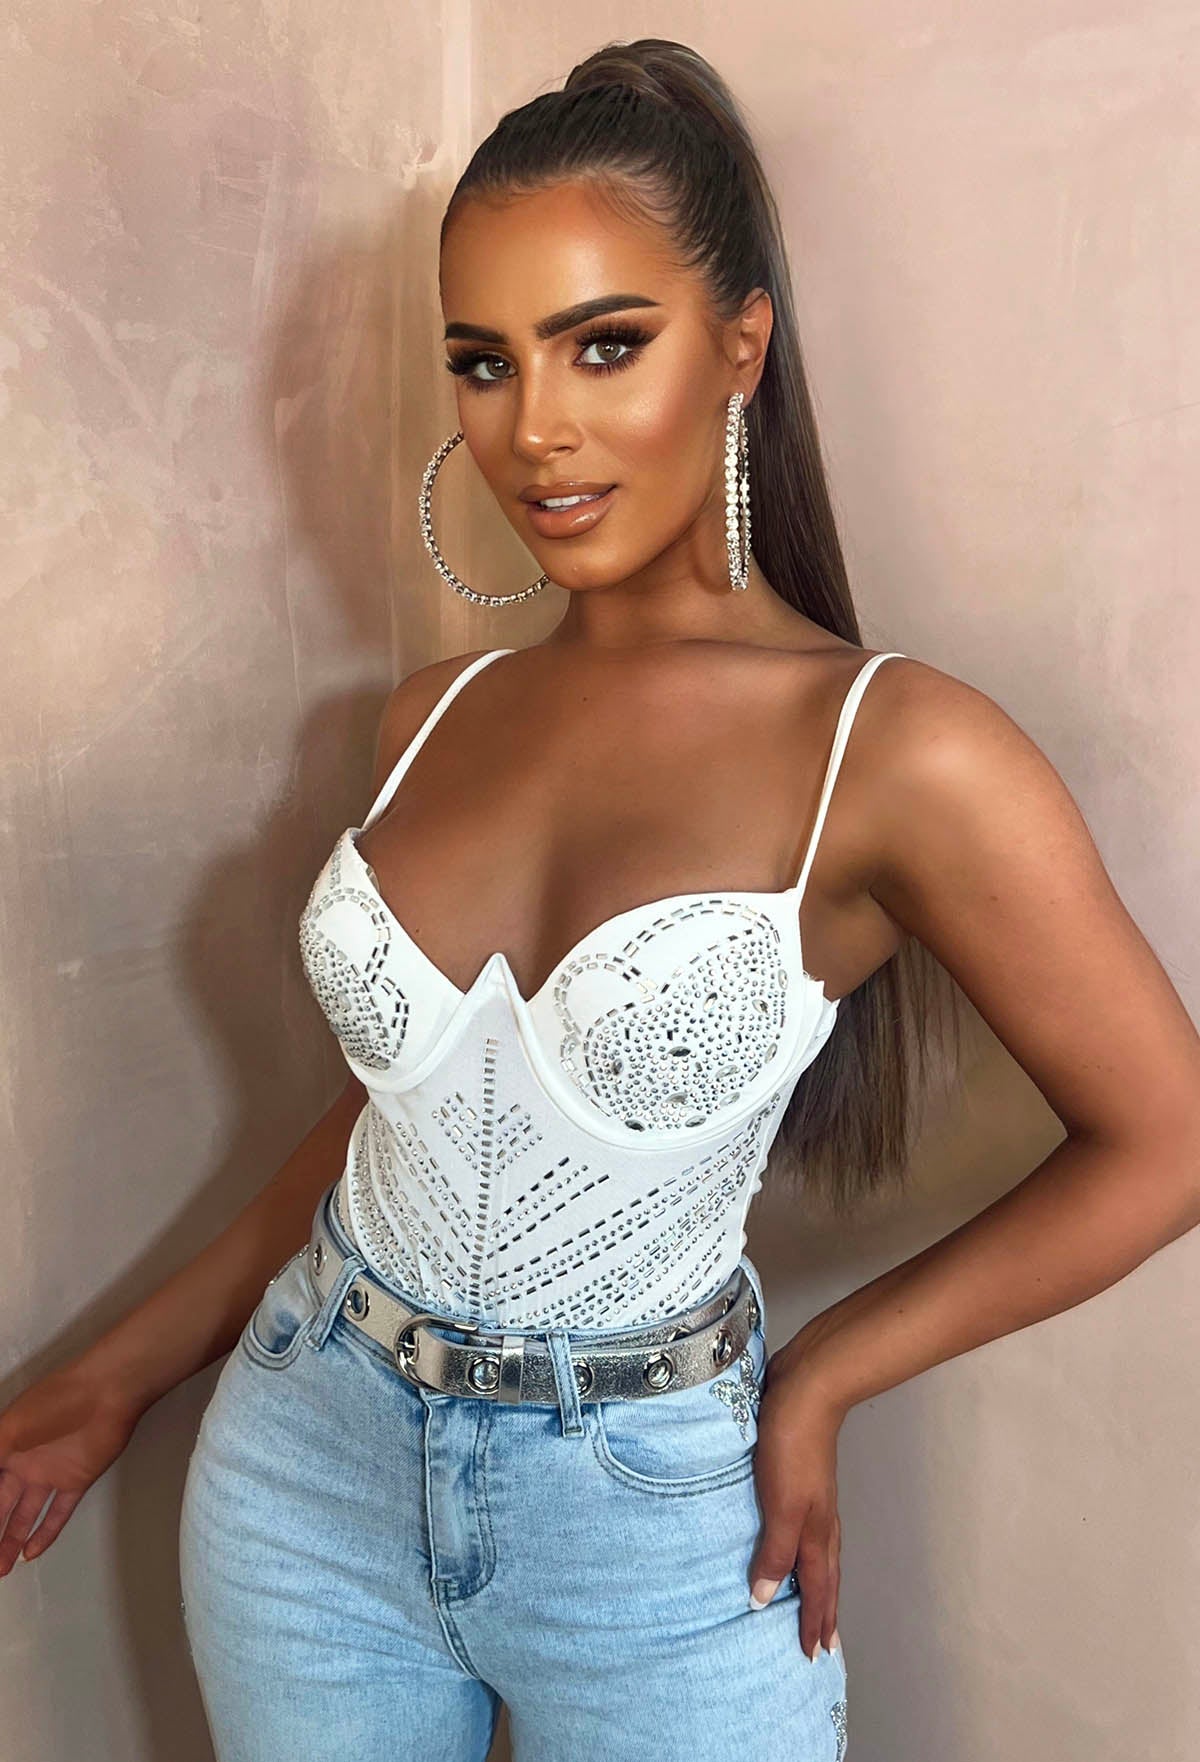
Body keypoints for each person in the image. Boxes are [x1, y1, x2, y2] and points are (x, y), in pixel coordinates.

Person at [3, 36, 1199, 1762]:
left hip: (656, 1525)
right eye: (484, 362)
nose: (534, 428)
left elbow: (1165, 1136)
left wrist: (827, 1372)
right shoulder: (429, 720)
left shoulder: (894, 750)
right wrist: (116, 1375)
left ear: (740, 348)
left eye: (604, 344)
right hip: (302, 1468)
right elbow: (399, 1122)